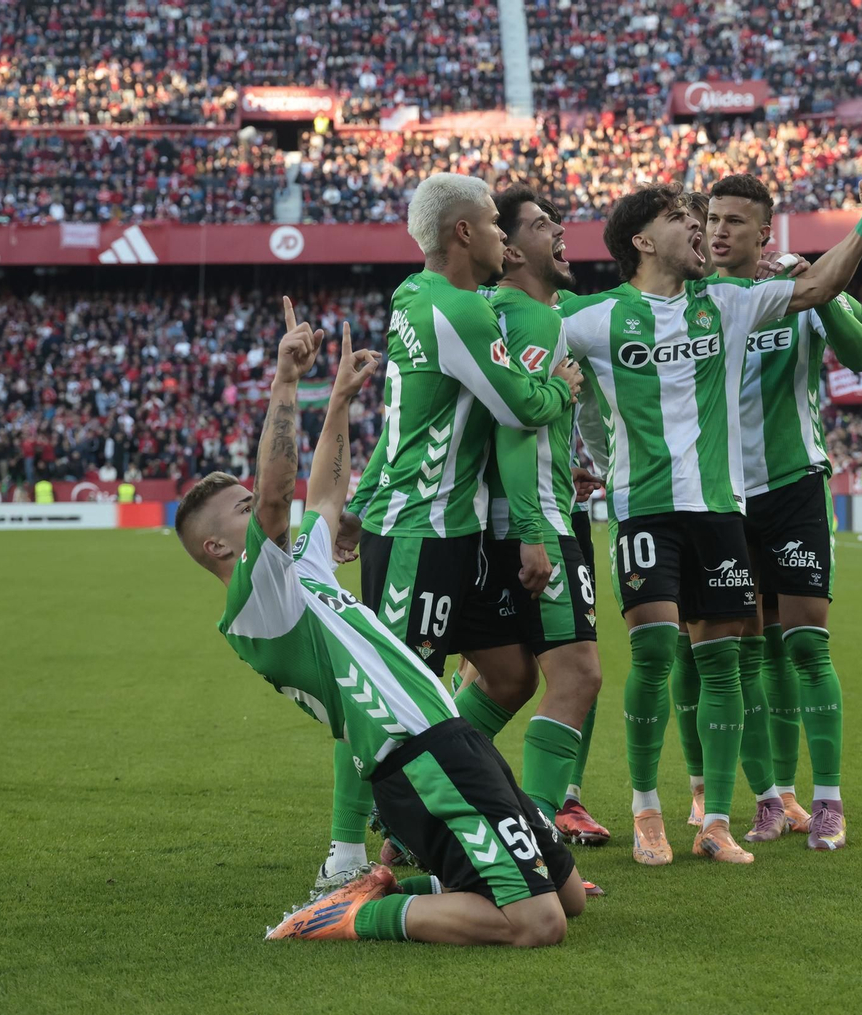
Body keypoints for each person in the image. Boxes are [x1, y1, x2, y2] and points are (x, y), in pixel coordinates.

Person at [173, 300, 585, 945]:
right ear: (218, 550)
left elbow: (325, 495)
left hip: (451, 735)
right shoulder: (258, 605)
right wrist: (287, 382)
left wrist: (337, 401)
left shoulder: (300, 570)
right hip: (415, 757)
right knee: (538, 925)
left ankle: (391, 886)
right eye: (245, 511)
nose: (262, 513)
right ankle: (353, 916)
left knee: (568, 899)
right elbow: (280, 493)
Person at [562, 175, 862, 866]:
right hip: (648, 507)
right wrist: (591, 458)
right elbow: (551, 378)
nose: (703, 228)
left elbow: (824, 297)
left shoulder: (731, 304)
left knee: (740, 656)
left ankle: (723, 816)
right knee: (659, 654)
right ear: (644, 240)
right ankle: (651, 807)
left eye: (714, 218)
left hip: (729, 505)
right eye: (688, 217)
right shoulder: (592, 318)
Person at [328, 173, 583, 892]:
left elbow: (409, 414)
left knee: (508, 674)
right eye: (497, 223)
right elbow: (523, 406)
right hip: (419, 530)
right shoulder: (459, 311)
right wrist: (566, 384)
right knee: (390, 692)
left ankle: (433, 818)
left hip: (455, 529)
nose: (506, 234)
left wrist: (364, 490)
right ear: (463, 234)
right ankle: (347, 855)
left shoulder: (418, 296)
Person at [668, 173, 862, 849]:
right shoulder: (693, 301)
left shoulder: (801, 290)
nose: (719, 230)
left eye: (734, 220)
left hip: (792, 485)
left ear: (765, 232)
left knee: (806, 643)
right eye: (712, 218)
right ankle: (768, 796)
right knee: (744, 653)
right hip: (722, 496)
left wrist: (824, 290)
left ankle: (829, 800)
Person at [447, 187, 609, 844]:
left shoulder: (494, 312)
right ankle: (539, 841)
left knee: (509, 677)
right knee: (579, 674)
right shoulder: (535, 319)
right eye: (543, 224)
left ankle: (415, 801)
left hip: (493, 523)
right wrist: (538, 531)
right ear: (510, 249)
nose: (560, 230)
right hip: (533, 522)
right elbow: (518, 427)